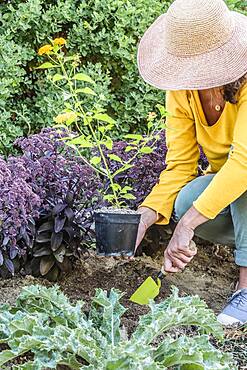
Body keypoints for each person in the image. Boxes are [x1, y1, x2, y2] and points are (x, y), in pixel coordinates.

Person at [135, 0, 247, 325]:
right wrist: (144, 217)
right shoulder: (182, 92)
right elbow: (181, 164)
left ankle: (245, 288)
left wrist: (186, 227)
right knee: (187, 200)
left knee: (239, 178)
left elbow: (242, 163)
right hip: (235, 188)